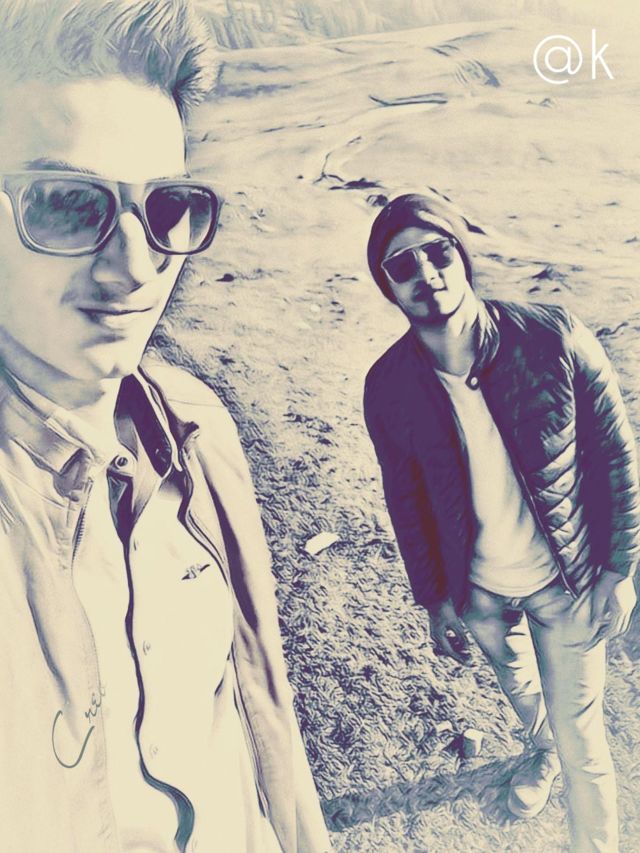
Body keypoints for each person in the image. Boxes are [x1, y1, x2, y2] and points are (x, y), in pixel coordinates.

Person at [0, 1, 331, 851]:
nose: (137, 264)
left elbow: (261, 706)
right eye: (66, 204)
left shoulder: (194, 426)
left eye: (168, 207)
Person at [363, 193, 640, 852]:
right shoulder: (389, 385)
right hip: (479, 593)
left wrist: (620, 569)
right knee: (522, 691)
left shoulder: (553, 338)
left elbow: (616, 455)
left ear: (461, 255)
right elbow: (406, 500)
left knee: (583, 744)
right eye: (403, 265)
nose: (426, 273)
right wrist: (435, 599)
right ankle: (539, 751)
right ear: (387, 285)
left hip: (568, 582)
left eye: (438, 251)